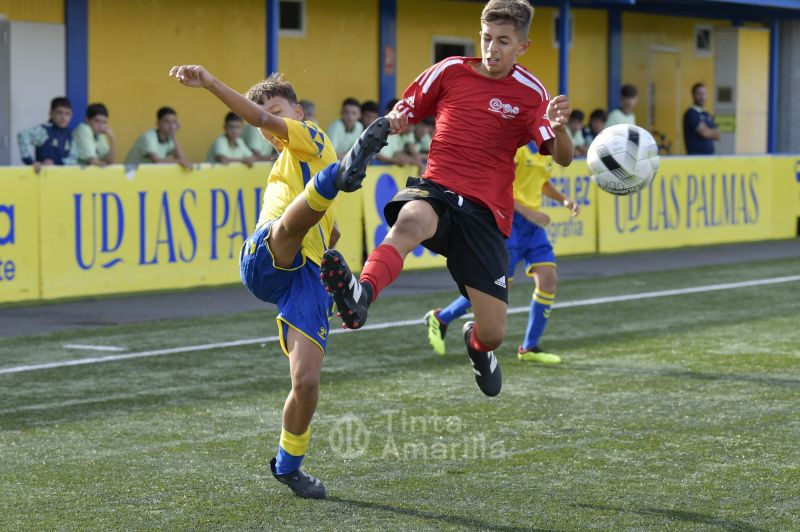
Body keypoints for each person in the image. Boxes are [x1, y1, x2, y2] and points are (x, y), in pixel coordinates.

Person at [319, 0, 573, 398]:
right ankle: (360, 294)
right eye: (486, 38)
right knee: (409, 222)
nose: (491, 49)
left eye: (503, 41)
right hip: (438, 188)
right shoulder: (450, 70)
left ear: (522, 46)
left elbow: (562, 156)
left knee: (493, 332)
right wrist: (397, 119)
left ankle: (477, 346)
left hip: (486, 214)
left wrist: (561, 128)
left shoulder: (531, 93)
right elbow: (407, 108)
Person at [169, 64, 389, 499]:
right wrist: (210, 84)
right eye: (264, 118)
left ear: (299, 112)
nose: (267, 123)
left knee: (306, 383)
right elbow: (263, 124)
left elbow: (331, 236)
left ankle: (288, 466)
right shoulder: (295, 158)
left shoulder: (310, 135)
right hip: (268, 255)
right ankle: (339, 177)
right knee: (290, 225)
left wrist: (334, 279)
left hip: (304, 278)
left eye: (276, 111)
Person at [424, 141, 579, 363]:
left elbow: (542, 181)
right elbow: (498, 185)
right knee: (497, 288)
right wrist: (527, 212)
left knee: (548, 279)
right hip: (509, 221)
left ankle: (530, 347)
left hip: (532, 228)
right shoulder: (518, 146)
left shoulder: (547, 147)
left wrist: (564, 200)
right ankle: (441, 318)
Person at [17, 96, 78, 173]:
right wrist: (30, 162)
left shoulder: (70, 134)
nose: (63, 117)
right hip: (42, 177)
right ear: (51, 114)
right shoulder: (44, 131)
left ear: (71, 116)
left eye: (67, 114)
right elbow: (22, 136)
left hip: (62, 177)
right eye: (59, 113)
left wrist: (55, 162)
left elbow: (73, 159)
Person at [125, 107, 191, 169]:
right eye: (167, 122)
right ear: (158, 123)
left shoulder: (170, 139)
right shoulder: (148, 137)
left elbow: (183, 160)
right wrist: (179, 162)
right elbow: (157, 161)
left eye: (174, 122)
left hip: (148, 174)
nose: (171, 126)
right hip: (130, 174)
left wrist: (174, 136)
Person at [683, 82, 720, 155]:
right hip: (695, 156)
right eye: (699, 93)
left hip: (710, 156)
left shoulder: (707, 114)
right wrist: (711, 131)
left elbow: (718, 135)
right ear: (693, 95)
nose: (702, 96)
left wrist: (708, 131)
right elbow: (704, 133)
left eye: (704, 93)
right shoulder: (691, 113)